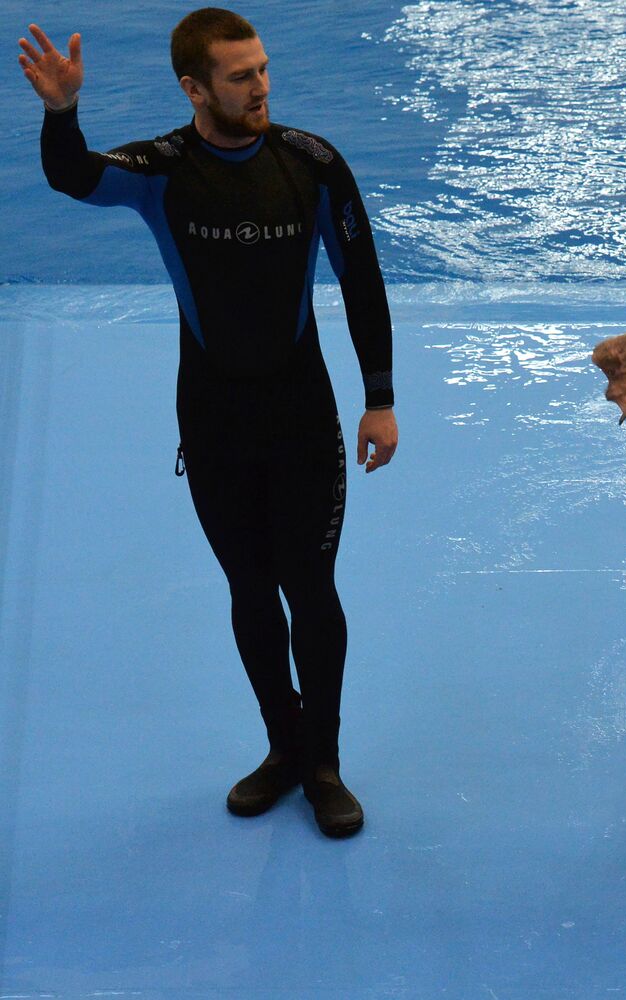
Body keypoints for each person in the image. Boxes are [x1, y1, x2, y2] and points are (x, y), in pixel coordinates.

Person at [19, 9, 398, 837]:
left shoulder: (313, 164)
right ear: (195, 88)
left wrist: (379, 398)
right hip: (215, 419)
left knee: (311, 588)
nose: (260, 87)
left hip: (303, 417)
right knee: (249, 589)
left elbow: (361, 277)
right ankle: (283, 747)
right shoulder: (163, 169)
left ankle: (325, 764)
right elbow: (73, 177)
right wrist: (61, 112)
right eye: (240, 76)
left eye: (262, 69)